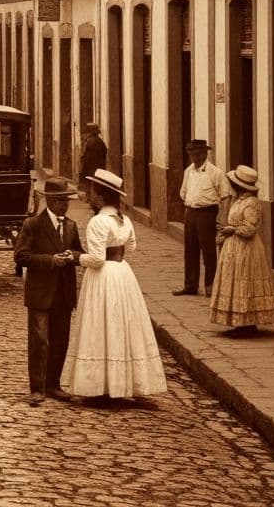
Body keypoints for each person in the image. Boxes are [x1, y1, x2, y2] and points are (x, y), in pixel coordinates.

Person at [61, 168, 167, 401]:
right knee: (121, 326)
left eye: (91, 190)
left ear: (100, 195)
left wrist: (76, 257)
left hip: (103, 278)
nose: (88, 195)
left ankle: (100, 385)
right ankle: (121, 383)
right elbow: (131, 248)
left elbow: (97, 260)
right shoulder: (124, 220)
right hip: (122, 275)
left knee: (101, 326)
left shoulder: (98, 222)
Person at [13, 177, 83, 406]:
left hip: (63, 293)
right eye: (62, 201)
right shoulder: (33, 225)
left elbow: (78, 253)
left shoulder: (71, 226)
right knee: (39, 341)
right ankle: (37, 388)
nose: (65, 205)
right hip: (40, 293)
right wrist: (51, 260)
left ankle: (54, 384)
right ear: (50, 201)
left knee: (60, 340)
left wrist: (72, 257)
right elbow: (21, 257)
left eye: (67, 201)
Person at [209, 166, 274, 336]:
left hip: (246, 249)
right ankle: (238, 322)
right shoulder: (239, 200)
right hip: (234, 247)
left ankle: (246, 324)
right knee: (235, 283)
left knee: (244, 283)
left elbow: (250, 229)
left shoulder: (251, 203)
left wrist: (231, 230)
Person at [175, 138, 230, 296]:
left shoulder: (216, 173)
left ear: (205, 154)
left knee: (208, 251)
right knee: (190, 250)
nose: (195, 158)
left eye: (198, 154)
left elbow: (225, 196)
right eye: (192, 154)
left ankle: (210, 285)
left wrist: (221, 218)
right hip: (191, 213)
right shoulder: (188, 171)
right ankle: (190, 285)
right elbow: (183, 193)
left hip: (207, 213)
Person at [79, 123, 107, 192]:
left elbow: (86, 155)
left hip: (90, 166)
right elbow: (104, 152)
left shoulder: (90, 141)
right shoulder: (100, 141)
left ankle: (90, 197)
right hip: (98, 166)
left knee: (90, 182)